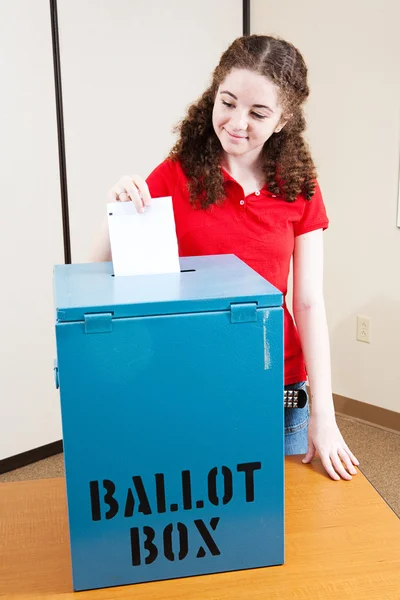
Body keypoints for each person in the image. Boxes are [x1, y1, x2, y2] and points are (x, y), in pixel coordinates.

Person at [91, 35, 359, 481]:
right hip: (192, 387)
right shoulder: (176, 174)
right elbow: (97, 271)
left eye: (257, 113)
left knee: (289, 534)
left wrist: (324, 417)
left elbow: (309, 301)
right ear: (212, 95)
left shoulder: (299, 185)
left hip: (279, 392)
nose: (237, 123)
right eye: (227, 102)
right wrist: (116, 208)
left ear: (284, 119)